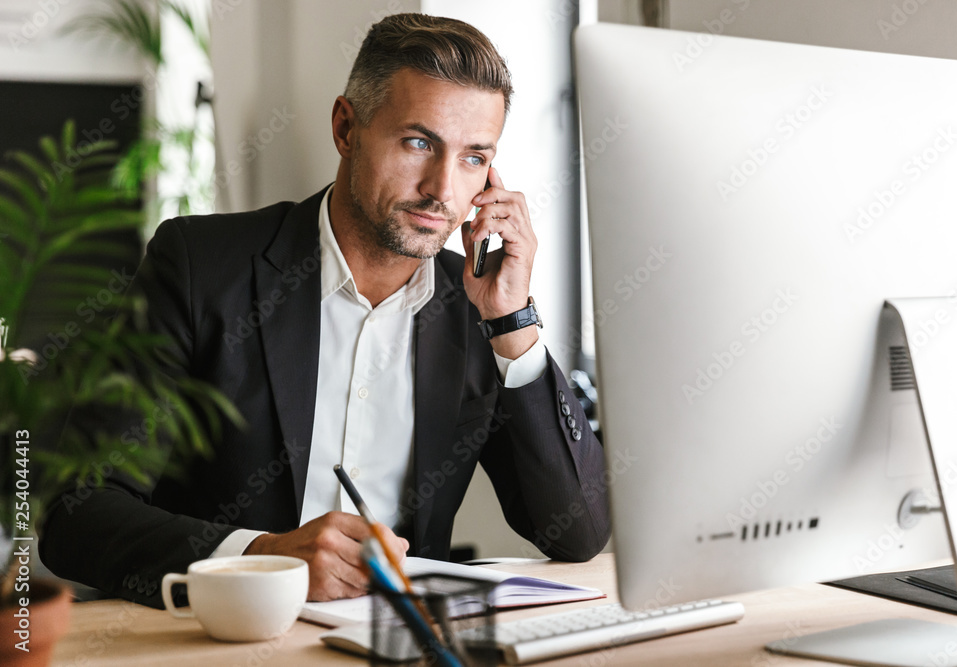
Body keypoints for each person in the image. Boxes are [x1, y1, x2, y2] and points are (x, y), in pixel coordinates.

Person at [40, 12, 610, 607]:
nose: (443, 189)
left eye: (473, 158)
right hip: (224, 641)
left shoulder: (477, 309)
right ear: (346, 128)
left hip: (396, 643)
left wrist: (513, 323)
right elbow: (78, 514)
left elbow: (578, 531)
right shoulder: (198, 266)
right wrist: (259, 558)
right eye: (419, 142)